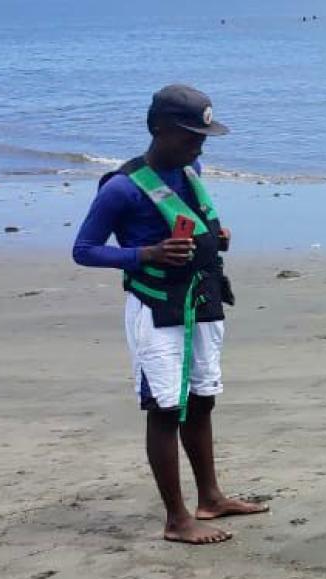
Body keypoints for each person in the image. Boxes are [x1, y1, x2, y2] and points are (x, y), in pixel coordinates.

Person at [72, 85, 267, 546]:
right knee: (164, 407)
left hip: (202, 299)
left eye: (203, 135)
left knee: (203, 398)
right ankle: (176, 518)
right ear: (160, 129)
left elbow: (192, 217)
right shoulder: (121, 188)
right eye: (190, 135)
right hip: (157, 308)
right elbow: (84, 250)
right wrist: (147, 253)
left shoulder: (191, 169)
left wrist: (214, 235)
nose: (199, 145)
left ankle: (211, 496)